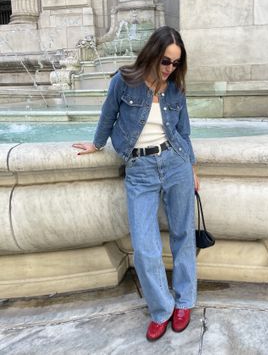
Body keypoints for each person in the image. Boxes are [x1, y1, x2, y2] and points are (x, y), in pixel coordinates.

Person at [72, 26, 199, 342]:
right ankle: (161, 308)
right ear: (153, 54)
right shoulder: (124, 81)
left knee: (183, 234)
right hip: (140, 168)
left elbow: (184, 131)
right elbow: (108, 115)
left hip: (175, 163)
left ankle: (184, 301)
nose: (170, 69)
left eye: (175, 64)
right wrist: (96, 144)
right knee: (144, 246)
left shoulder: (175, 89)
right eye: (166, 61)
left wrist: (192, 167)